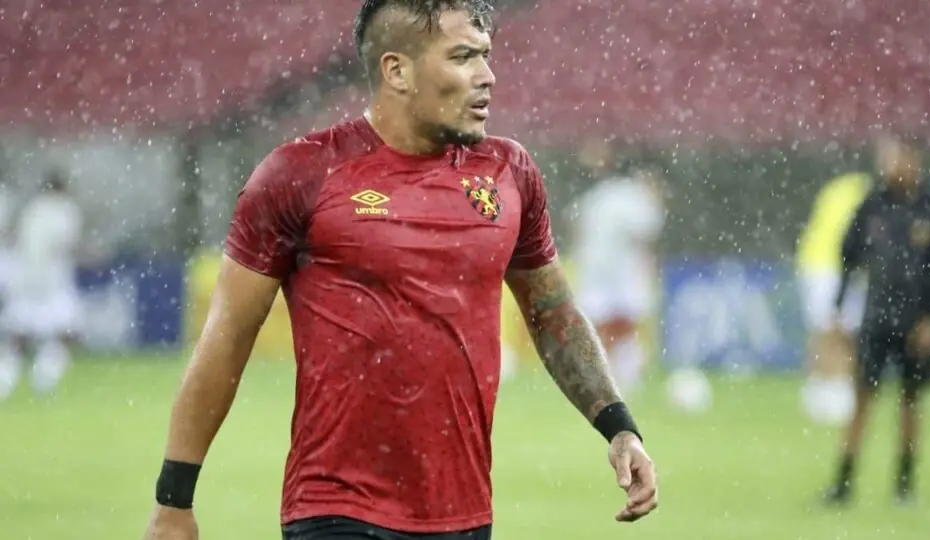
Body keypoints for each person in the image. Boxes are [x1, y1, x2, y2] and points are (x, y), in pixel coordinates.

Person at [143, 2, 658, 539]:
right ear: (397, 71)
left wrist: (619, 428)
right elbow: (226, 338)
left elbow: (552, 314)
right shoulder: (300, 174)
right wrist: (173, 500)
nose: (487, 75)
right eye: (463, 57)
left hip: (463, 514)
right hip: (335, 510)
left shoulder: (509, 173)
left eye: (485, 55)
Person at [823, 136, 930, 505]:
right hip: (877, 318)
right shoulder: (873, 204)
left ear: (916, 160)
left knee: (911, 400)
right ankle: (843, 482)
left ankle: (904, 484)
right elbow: (848, 256)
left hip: (915, 322)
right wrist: (838, 308)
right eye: (890, 158)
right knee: (863, 396)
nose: (894, 165)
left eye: (900, 158)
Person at [572, 157, 665, 394]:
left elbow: (578, 225)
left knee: (600, 325)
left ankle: (599, 376)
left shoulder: (597, 195)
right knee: (623, 324)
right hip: (621, 271)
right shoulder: (634, 199)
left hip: (595, 267)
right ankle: (618, 376)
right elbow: (648, 230)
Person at [795, 170, 872, 425]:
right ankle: (833, 390)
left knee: (827, 330)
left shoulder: (838, 188)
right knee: (836, 330)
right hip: (828, 267)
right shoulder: (866, 194)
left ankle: (822, 388)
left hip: (817, 263)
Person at [0, 170, 83, 400]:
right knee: (69, 334)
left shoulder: (33, 209)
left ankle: (5, 382)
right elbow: (65, 244)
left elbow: (18, 240)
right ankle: (44, 377)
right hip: (52, 282)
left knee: (19, 337)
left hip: (24, 279)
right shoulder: (65, 210)